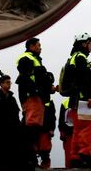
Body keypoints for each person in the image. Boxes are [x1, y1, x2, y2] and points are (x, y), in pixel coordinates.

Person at [15, 38, 54, 169]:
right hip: (32, 97)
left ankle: (30, 159)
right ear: (31, 46)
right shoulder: (26, 58)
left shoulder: (34, 59)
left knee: (34, 127)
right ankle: (29, 159)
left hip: (36, 97)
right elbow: (25, 77)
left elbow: (38, 79)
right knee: (32, 127)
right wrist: (35, 90)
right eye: (38, 45)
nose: (40, 47)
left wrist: (50, 88)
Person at [64, 32, 91, 169]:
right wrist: (90, 95)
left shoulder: (73, 58)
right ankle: (86, 155)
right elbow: (83, 79)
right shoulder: (81, 58)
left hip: (74, 100)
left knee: (78, 130)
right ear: (84, 43)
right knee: (88, 127)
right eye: (90, 43)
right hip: (83, 98)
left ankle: (75, 157)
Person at [58, 97, 74, 169]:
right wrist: (62, 131)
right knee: (69, 154)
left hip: (79, 132)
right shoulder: (65, 103)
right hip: (69, 133)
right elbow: (61, 119)